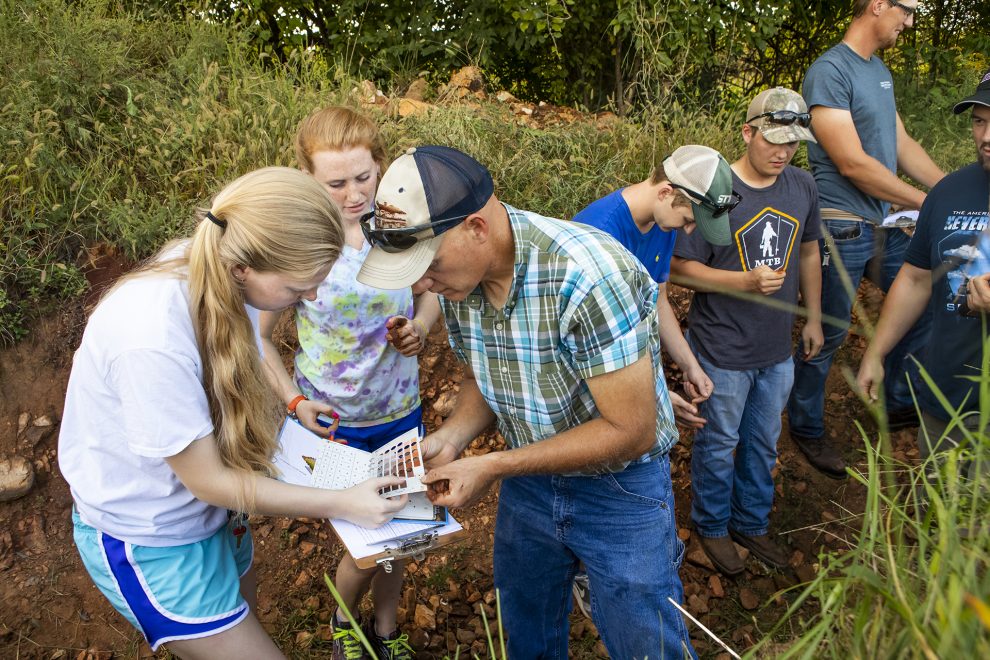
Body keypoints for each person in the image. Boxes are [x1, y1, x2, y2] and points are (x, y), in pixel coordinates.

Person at [355, 145, 718, 658]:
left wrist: (495, 465)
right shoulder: (462, 281)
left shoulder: (589, 275)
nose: (421, 284)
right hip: (529, 483)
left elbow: (629, 429)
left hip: (620, 490)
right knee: (526, 625)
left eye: (428, 265)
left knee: (645, 638)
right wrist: (454, 437)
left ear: (476, 228)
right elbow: (489, 371)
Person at [58, 167, 409, 659]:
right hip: (153, 536)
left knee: (242, 613)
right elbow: (209, 481)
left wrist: (291, 413)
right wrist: (343, 501)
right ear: (245, 267)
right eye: (298, 289)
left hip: (214, 515)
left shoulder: (217, 259)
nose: (309, 298)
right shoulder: (150, 337)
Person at [260, 106, 440, 660]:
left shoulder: (400, 230)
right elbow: (259, 336)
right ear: (310, 180)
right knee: (366, 539)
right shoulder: (301, 244)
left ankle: (386, 631)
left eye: (364, 177)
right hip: (335, 423)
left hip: (399, 414)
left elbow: (431, 290)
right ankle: (346, 623)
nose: (354, 194)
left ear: (381, 167)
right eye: (336, 183)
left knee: (403, 537)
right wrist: (292, 400)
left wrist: (421, 329)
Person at [567, 145, 732, 615]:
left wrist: (689, 364)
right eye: (688, 219)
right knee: (599, 470)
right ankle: (584, 568)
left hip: (629, 368)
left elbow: (655, 301)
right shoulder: (598, 231)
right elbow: (592, 346)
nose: (689, 230)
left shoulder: (660, 224)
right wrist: (657, 396)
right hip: (589, 378)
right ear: (665, 192)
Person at [787, 0, 945, 479]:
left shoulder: (878, 72)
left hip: (885, 225)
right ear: (879, 5)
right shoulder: (829, 71)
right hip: (840, 227)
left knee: (925, 300)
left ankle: (896, 400)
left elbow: (900, 144)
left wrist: (947, 192)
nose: (911, 21)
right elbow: (852, 163)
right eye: (908, 9)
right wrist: (926, 203)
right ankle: (805, 425)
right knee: (830, 332)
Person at [670, 88, 824, 575]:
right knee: (719, 442)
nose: (781, 153)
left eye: (792, 144)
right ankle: (711, 527)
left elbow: (808, 251)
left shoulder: (802, 186)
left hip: (776, 347)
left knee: (763, 440)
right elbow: (678, 269)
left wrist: (813, 316)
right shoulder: (717, 189)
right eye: (772, 140)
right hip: (721, 347)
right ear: (747, 132)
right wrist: (743, 282)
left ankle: (751, 523)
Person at [856, 70, 990, 487]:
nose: (986, 134)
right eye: (979, 120)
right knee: (942, 523)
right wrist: (876, 353)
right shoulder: (947, 193)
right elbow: (915, 279)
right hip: (944, 399)